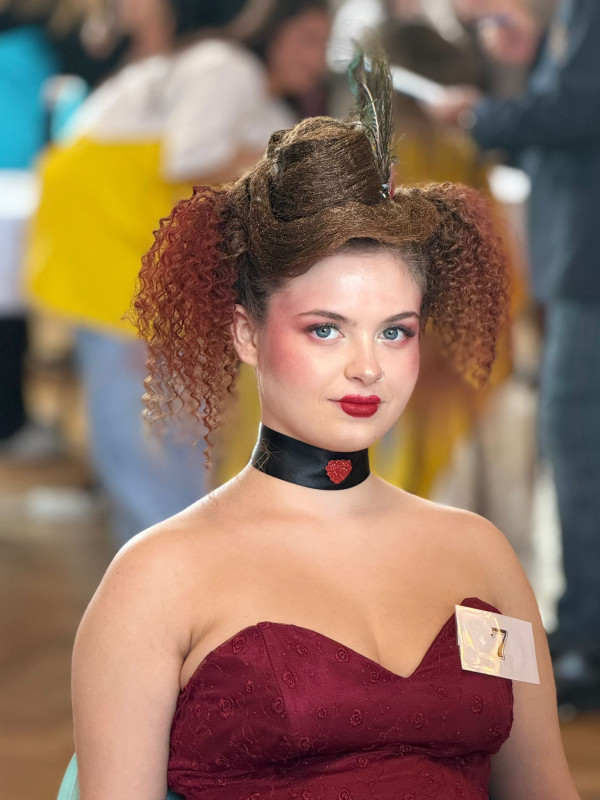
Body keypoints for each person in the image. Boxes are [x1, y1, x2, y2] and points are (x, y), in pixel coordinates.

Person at [66, 51, 578, 800]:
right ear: (246, 334)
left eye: (395, 331)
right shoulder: (158, 576)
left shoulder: (482, 555)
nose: (368, 368)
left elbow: (545, 787)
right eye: (326, 330)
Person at [26, 0, 331, 544]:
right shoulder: (229, 67)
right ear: (272, 32)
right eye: (308, 40)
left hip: (136, 255)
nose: (318, 59)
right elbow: (189, 162)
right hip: (113, 248)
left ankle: (179, 557)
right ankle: (166, 562)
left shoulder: (251, 92)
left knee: (170, 431)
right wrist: (291, 164)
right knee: (140, 433)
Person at [422, 0, 600, 710]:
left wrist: (481, 115)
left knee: (575, 438)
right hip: (575, 258)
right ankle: (579, 629)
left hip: (589, 263)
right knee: (569, 439)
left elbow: (578, 111)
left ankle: (586, 639)